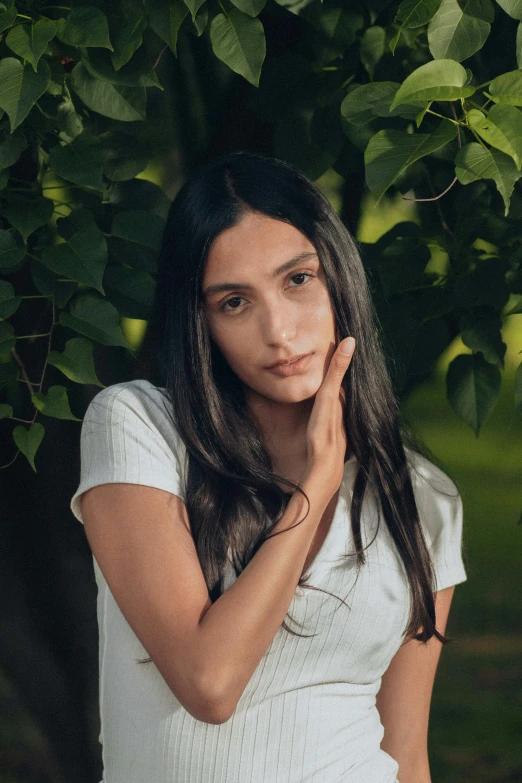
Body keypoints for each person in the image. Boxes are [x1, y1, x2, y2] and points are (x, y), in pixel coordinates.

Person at [70, 150, 467, 783]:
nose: (278, 332)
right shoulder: (140, 428)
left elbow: (407, 757)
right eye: (234, 302)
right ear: (200, 321)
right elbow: (210, 683)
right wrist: (316, 487)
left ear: (338, 276)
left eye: (297, 280)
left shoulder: (421, 497)